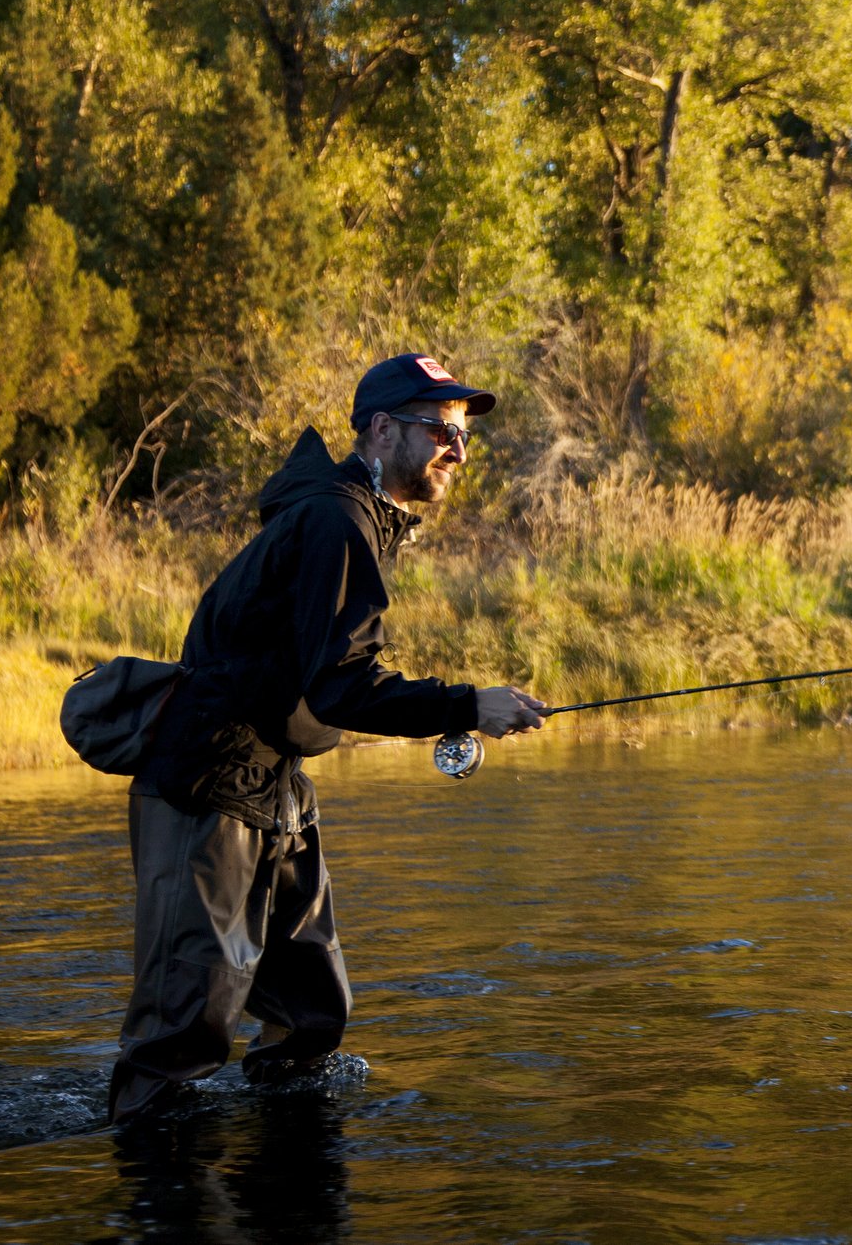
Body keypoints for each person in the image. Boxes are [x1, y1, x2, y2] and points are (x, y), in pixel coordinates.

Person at [108, 352, 546, 1125]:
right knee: (184, 1030)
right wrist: (467, 705)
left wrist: (461, 706)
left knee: (310, 1011)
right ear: (381, 430)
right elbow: (342, 685)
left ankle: (291, 1177)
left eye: (464, 435)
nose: (458, 449)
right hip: (207, 787)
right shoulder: (336, 520)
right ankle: (156, 1172)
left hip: (276, 789)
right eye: (442, 429)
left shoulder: (356, 518)